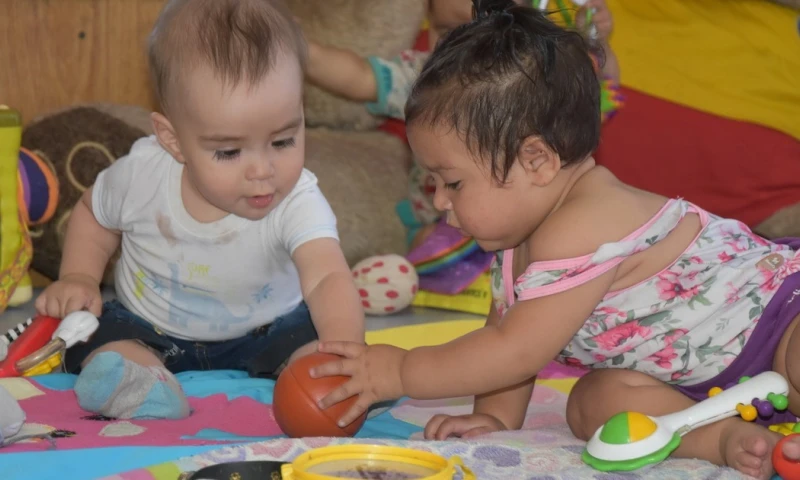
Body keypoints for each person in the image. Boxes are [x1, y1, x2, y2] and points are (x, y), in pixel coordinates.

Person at [308, 1, 800, 478]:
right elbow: (504, 335)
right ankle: (723, 439)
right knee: (591, 406)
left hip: (780, 315)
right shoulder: (514, 241)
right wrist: (497, 419)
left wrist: (399, 372)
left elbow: (514, 350)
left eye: (453, 182)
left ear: (537, 161)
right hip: (707, 387)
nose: (439, 201)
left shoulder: (584, 220)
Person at [34, 0, 365, 421]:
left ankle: (303, 372)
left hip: (269, 330)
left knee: (311, 340)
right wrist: (79, 276)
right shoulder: (142, 175)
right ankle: (141, 383)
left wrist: (344, 349)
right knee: (94, 336)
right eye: (229, 151)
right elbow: (94, 215)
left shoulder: (298, 198)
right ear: (173, 140)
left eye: (283, 141)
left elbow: (327, 277)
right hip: (149, 329)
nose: (263, 171)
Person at [302, 0, 620, 239]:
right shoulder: (430, 82)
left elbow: (596, 90)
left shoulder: (542, 85)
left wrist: (594, 40)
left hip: (530, 229)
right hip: (440, 229)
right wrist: (304, 49)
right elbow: (359, 76)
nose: (458, 47)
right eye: (446, 31)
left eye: (483, 32)